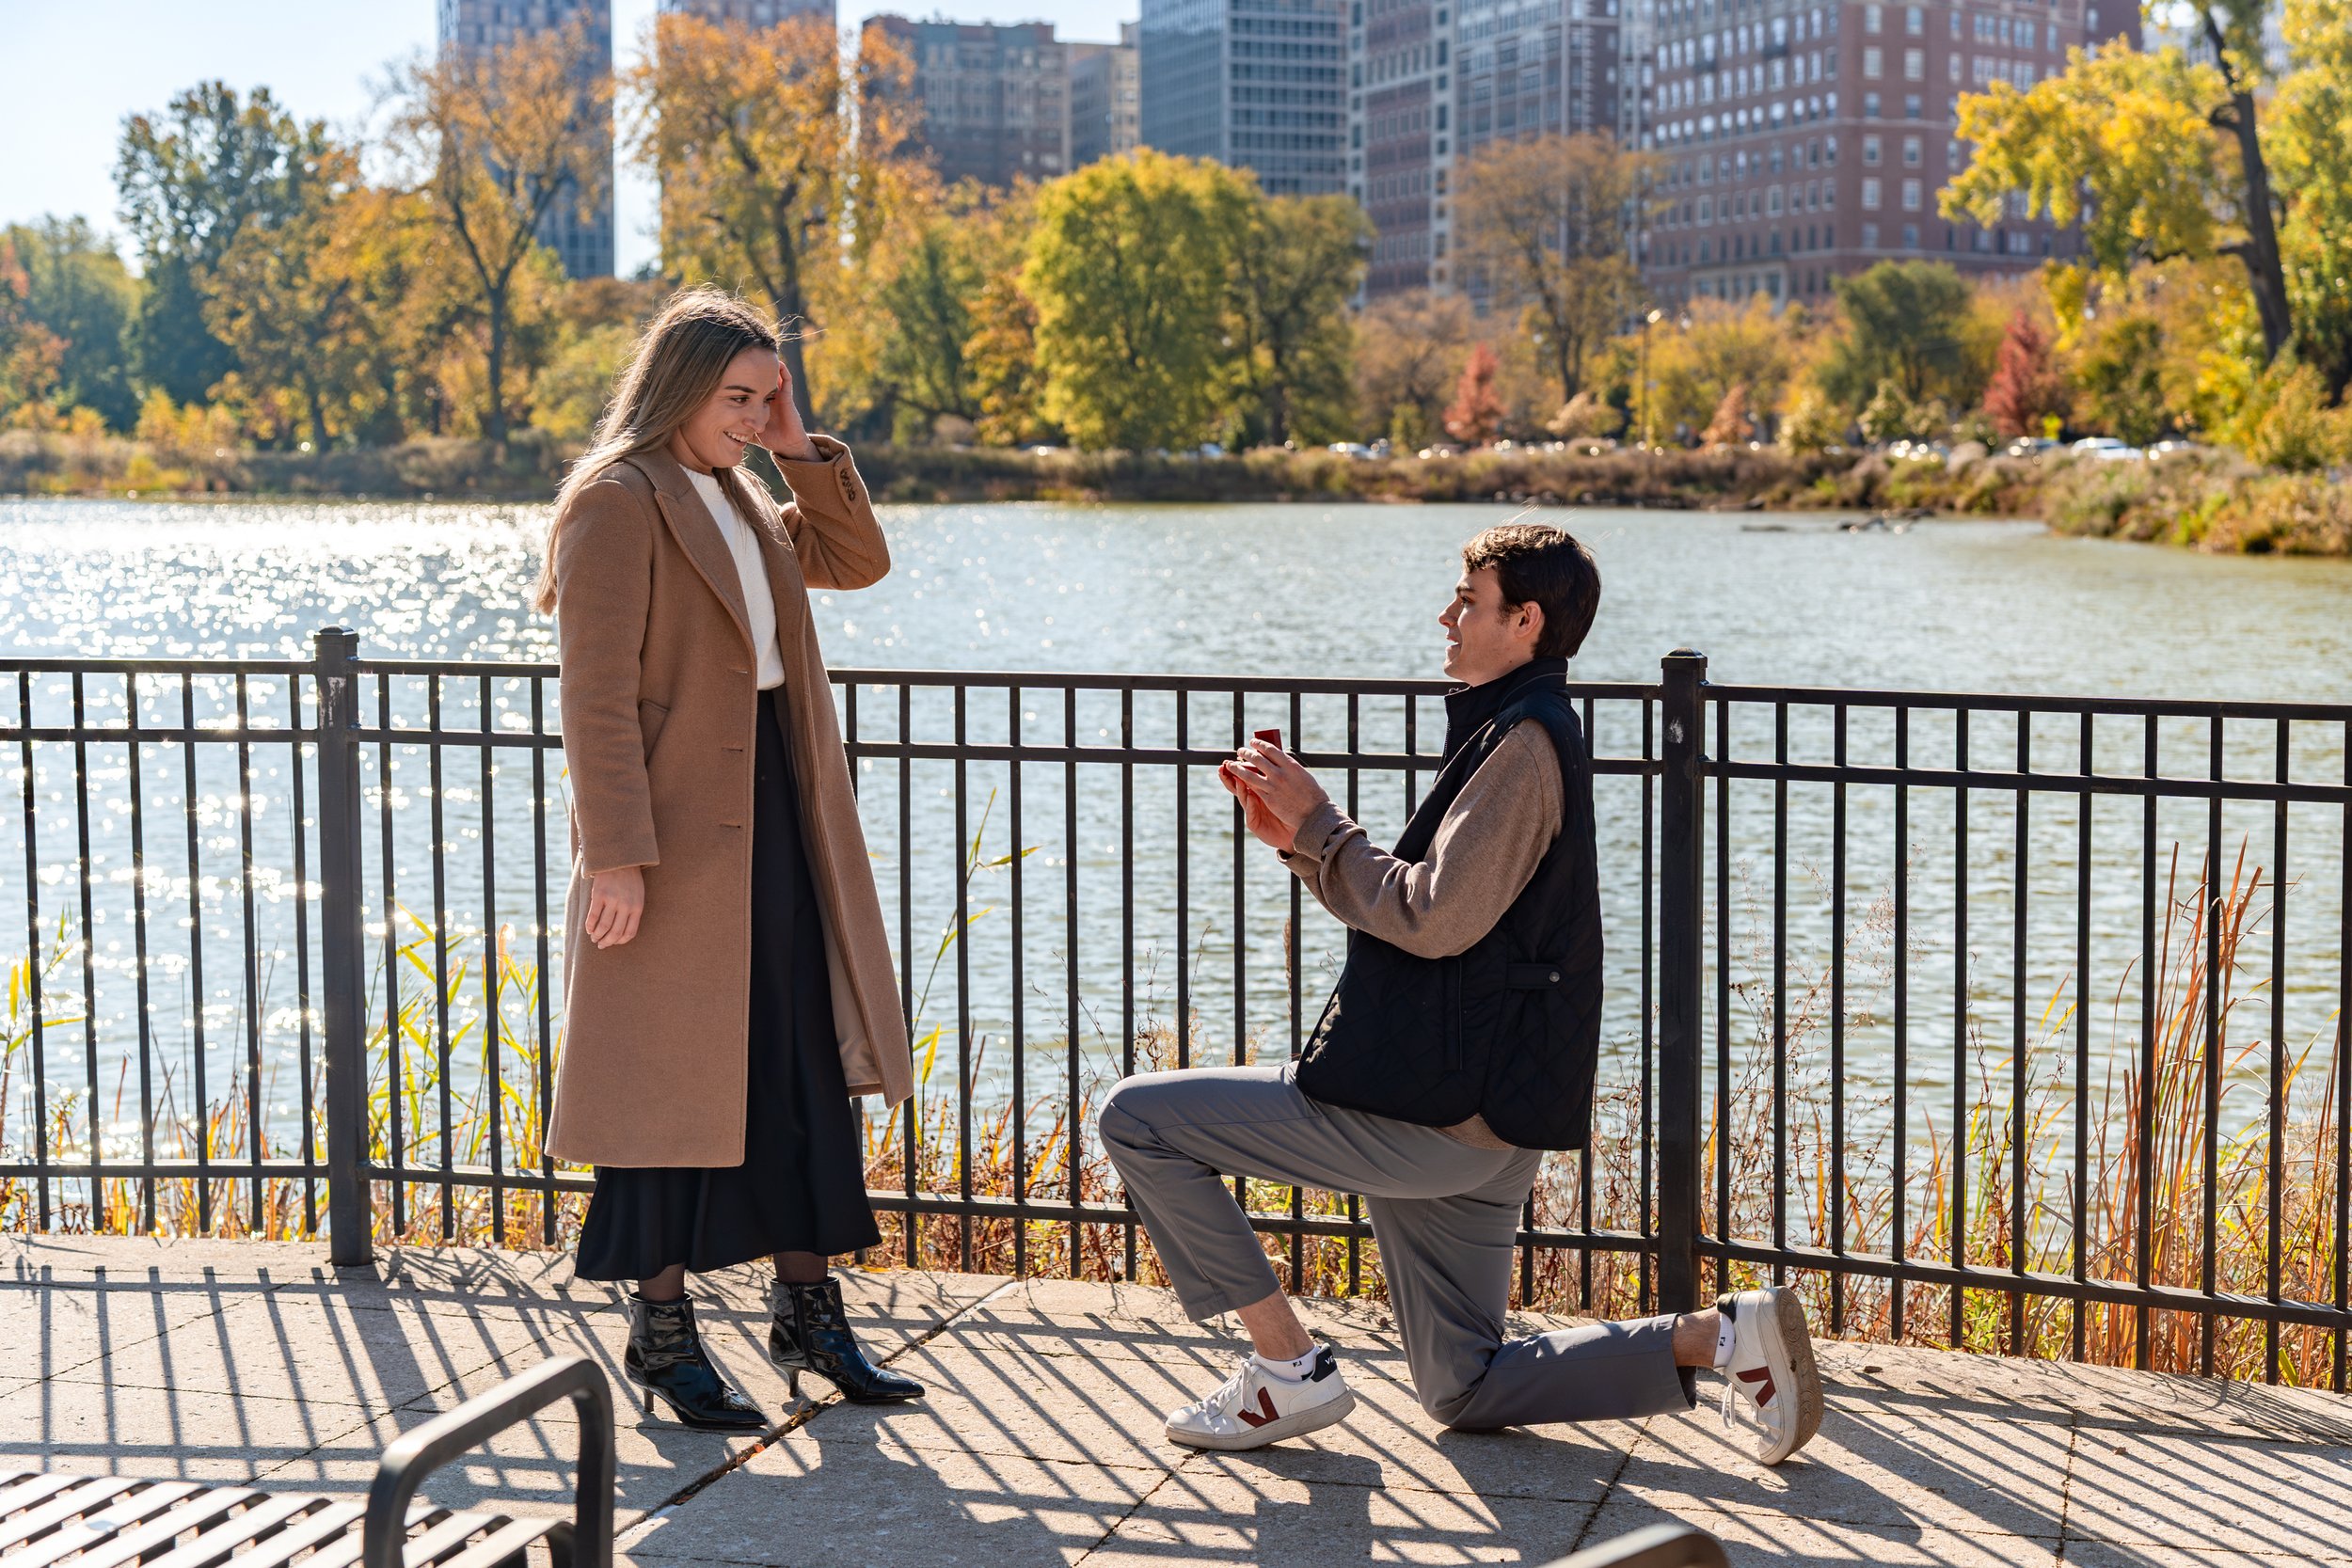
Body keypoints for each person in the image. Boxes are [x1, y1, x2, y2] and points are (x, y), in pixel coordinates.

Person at [1098, 523, 1823, 1464]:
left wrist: (1322, 821)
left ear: (1524, 621)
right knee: (1464, 1383)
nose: (1446, 614)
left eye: (1467, 601)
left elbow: (1433, 917)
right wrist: (1298, 841)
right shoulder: (1513, 729)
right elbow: (1430, 908)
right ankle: (1723, 1336)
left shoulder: (1523, 746)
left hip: (1434, 1113)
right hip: (1484, 1111)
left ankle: (1285, 1366)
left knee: (1134, 1117)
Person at [537, 288, 921, 1429]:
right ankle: (660, 1330)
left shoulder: (744, 493)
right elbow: (594, 696)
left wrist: (802, 450)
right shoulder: (618, 499)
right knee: (664, 1081)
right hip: (671, 836)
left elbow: (854, 559)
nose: (755, 416)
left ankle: (809, 1311)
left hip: (778, 815)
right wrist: (615, 856)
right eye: (737, 397)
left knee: (798, 1060)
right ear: (677, 386)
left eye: (768, 397)